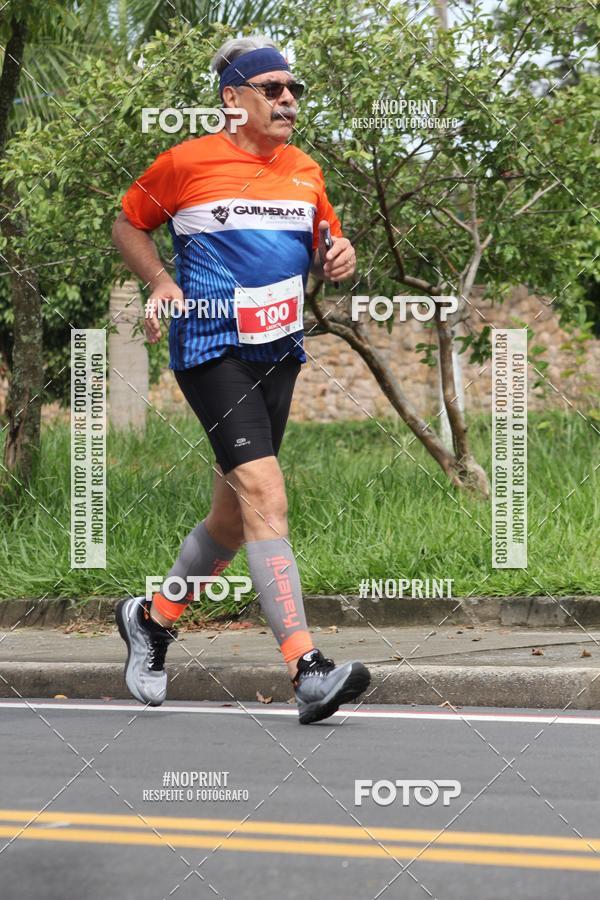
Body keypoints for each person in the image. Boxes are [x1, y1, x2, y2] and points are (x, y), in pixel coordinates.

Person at [112, 35, 370, 724]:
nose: (289, 101)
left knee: (235, 514)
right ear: (234, 98)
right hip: (211, 347)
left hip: (279, 350)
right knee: (265, 492)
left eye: (295, 92)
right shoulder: (185, 162)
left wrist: (337, 256)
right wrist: (161, 280)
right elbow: (128, 224)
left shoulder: (305, 170)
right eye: (274, 89)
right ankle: (307, 670)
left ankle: (152, 618)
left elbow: (323, 247)